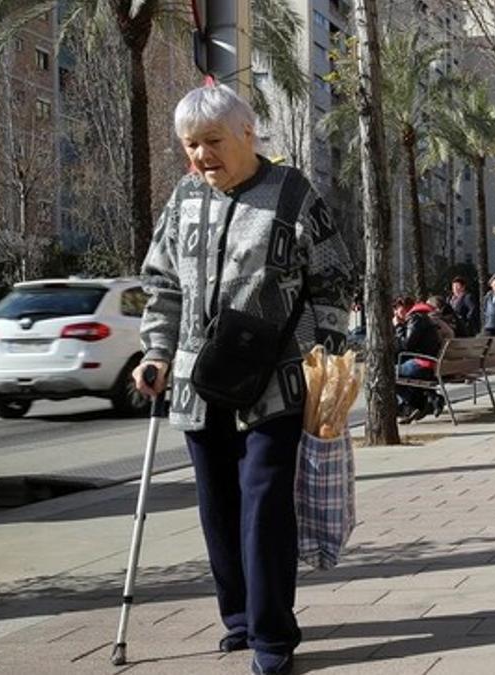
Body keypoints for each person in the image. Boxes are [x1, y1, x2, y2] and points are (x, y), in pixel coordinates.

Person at [134, 84, 354, 675]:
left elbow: (333, 280)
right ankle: (238, 617)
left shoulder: (292, 194)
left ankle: (272, 636)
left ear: (247, 135)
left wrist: (321, 362)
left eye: (212, 142)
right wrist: (154, 352)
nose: (201, 156)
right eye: (191, 145)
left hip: (276, 382)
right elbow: (162, 284)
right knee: (218, 506)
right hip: (195, 380)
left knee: (263, 503)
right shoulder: (182, 199)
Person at [394, 297, 445, 423]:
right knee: (400, 370)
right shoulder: (423, 317)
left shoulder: (415, 319)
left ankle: (414, 404)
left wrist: (398, 326)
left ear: (405, 307)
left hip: (423, 363)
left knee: (388, 373)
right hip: (430, 362)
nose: (395, 312)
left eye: (397, 308)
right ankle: (426, 401)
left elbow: (406, 345)